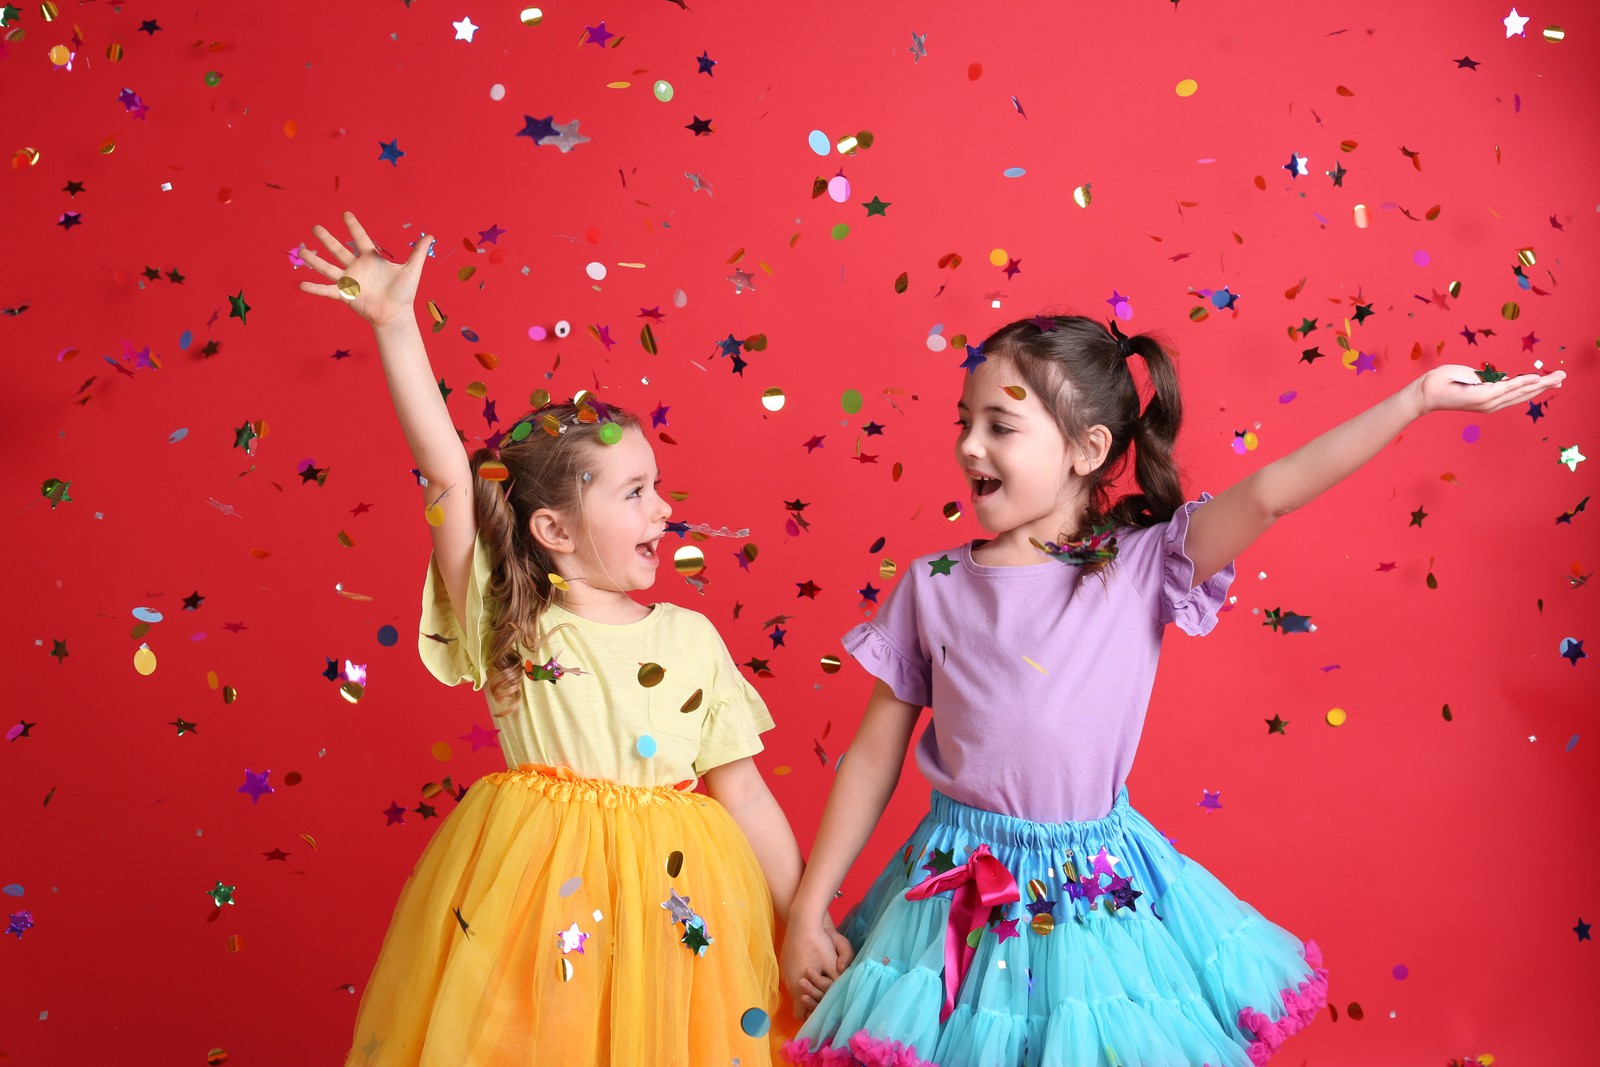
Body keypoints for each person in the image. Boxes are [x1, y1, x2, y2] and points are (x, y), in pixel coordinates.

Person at [778, 315, 1564, 1067]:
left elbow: (1272, 492)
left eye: (1000, 425)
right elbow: (873, 755)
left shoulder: (1142, 563)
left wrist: (1415, 399)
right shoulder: (934, 584)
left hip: (1089, 898)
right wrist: (809, 910)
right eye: (965, 420)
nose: (968, 444)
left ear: (1088, 449)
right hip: (951, 898)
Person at [295, 211, 851, 1066]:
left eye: (656, 487)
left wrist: (802, 919)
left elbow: (743, 796)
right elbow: (448, 470)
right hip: (541, 910)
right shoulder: (511, 619)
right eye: (633, 491)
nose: (662, 508)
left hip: (678, 921)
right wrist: (399, 327)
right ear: (552, 527)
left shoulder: (693, 637)